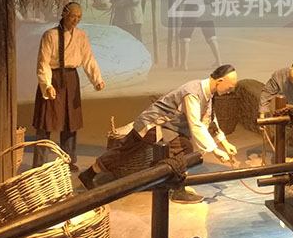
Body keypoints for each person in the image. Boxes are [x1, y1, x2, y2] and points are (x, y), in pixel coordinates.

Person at [78, 64, 239, 203]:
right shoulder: (193, 92)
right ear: (220, 81)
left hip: (167, 128)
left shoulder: (207, 93)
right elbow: (196, 124)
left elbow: (209, 119)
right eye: (230, 87)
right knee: (126, 151)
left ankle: (175, 186)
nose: (230, 91)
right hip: (153, 125)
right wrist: (215, 150)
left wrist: (224, 143)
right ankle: (89, 174)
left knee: (181, 148)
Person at [33, 2, 104, 171]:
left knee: (70, 121)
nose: (76, 20)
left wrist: (97, 79)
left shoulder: (81, 35)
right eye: (73, 16)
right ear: (64, 14)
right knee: (46, 122)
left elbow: (88, 58)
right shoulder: (50, 35)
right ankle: (39, 164)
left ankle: (68, 161)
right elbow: (43, 62)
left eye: (79, 17)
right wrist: (47, 85)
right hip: (53, 78)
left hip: (71, 79)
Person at [179, 0, 222, 69]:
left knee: (185, 37)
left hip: (191, 10)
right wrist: (210, 1)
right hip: (206, 11)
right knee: (211, 37)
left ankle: (184, 65)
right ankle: (219, 61)